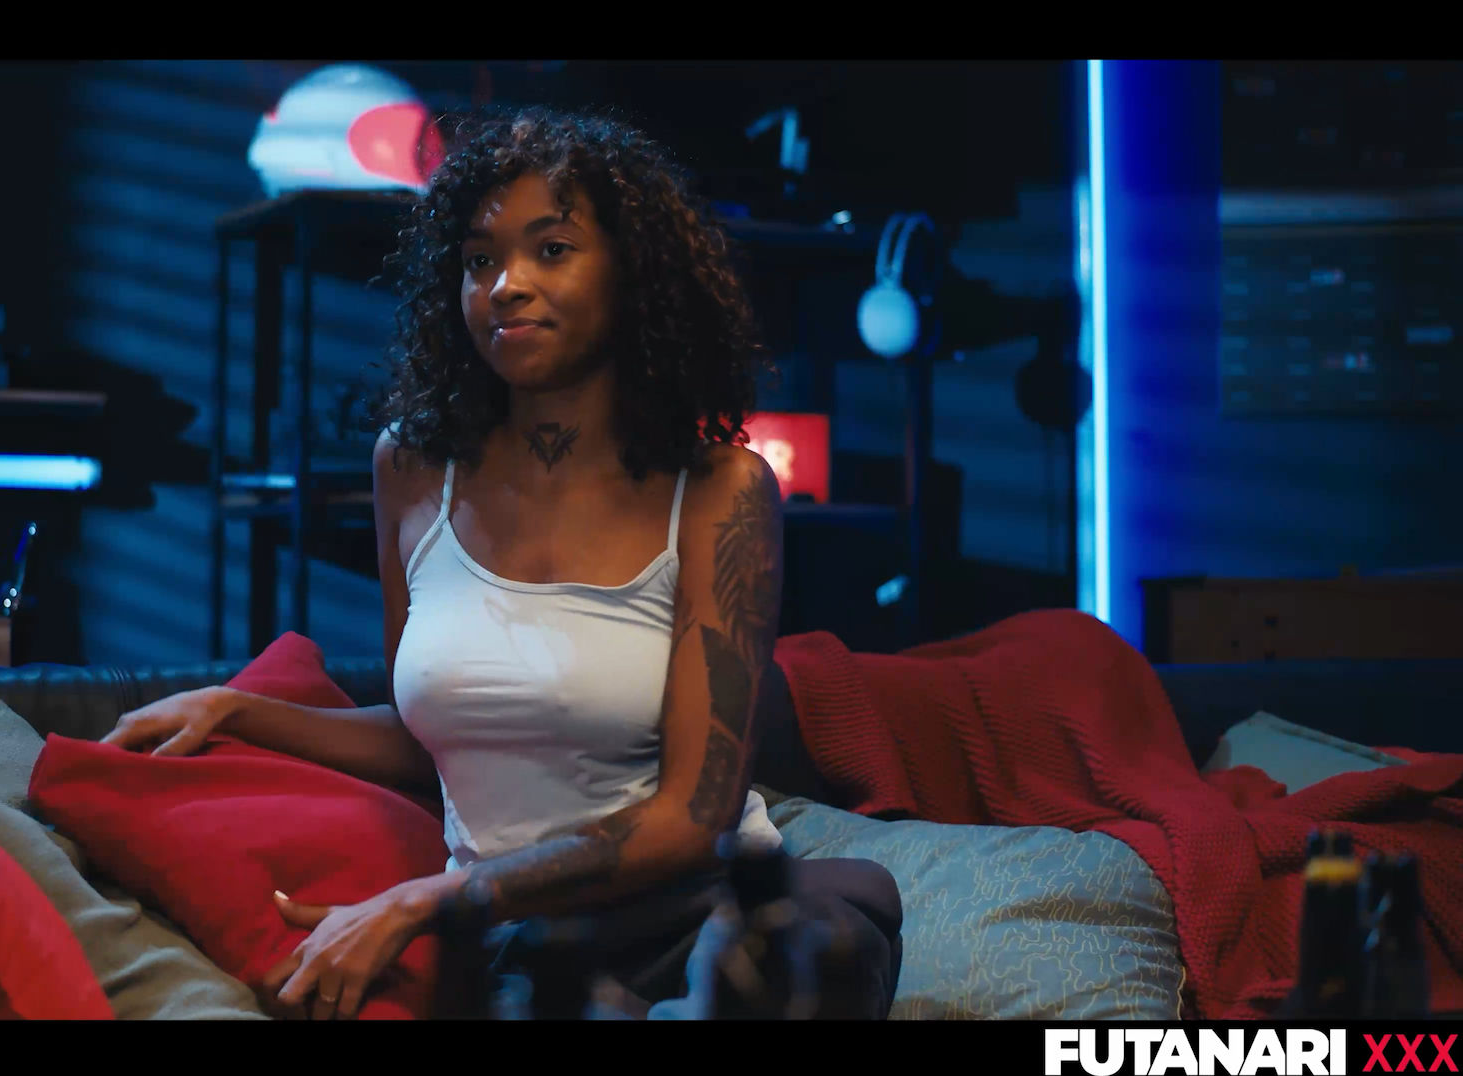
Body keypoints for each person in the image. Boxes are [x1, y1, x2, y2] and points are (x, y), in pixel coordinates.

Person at [104, 106, 901, 1020]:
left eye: (551, 250)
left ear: (633, 273)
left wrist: (430, 899)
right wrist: (238, 708)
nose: (507, 286)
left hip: (703, 913)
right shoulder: (411, 469)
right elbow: (434, 735)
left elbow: (694, 818)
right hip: (530, 936)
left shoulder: (720, 490)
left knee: (816, 953)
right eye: (480, 260)